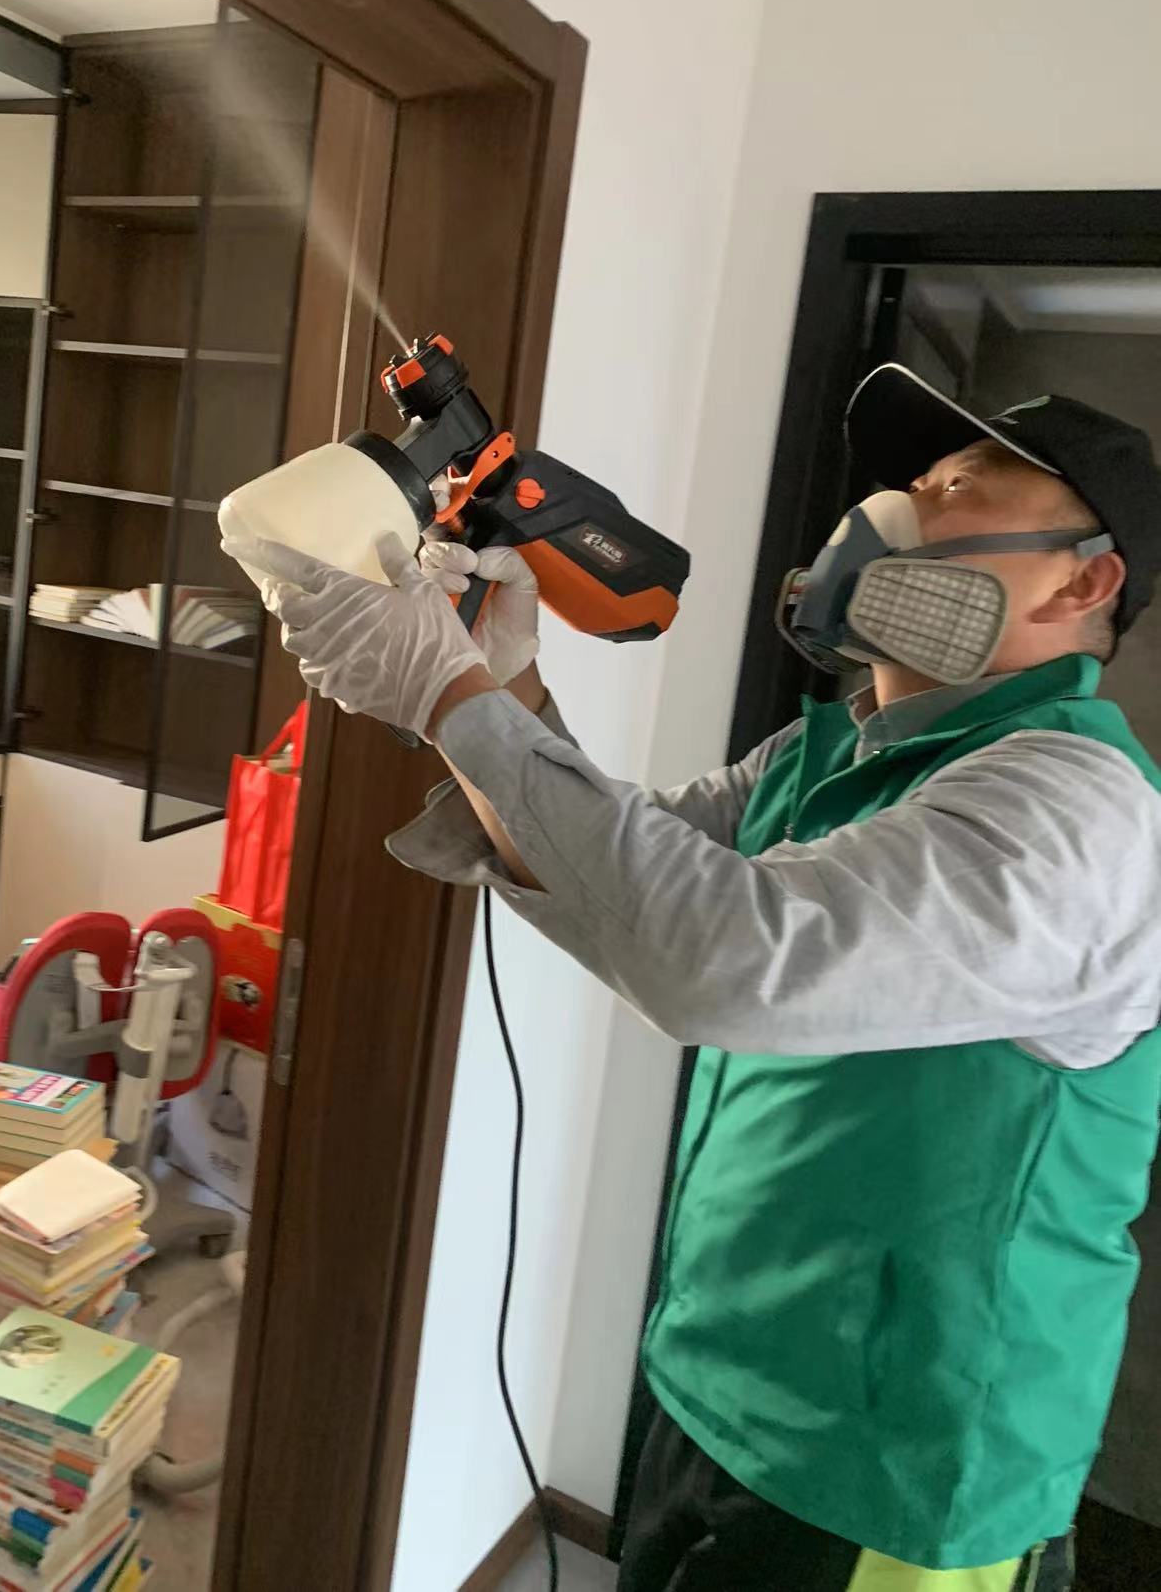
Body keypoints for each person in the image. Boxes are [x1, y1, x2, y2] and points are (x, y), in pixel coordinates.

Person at [226, 364, 1161, 1592]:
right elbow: (629, 874)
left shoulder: (1075, 809)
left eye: (953, 487)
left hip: (895, 1473)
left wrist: (447, 696)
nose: (891, 507)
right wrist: (502, 684)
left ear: (1084, 580)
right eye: (907, 480)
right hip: (718, 1383)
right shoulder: (826, 754)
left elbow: (725, 959)